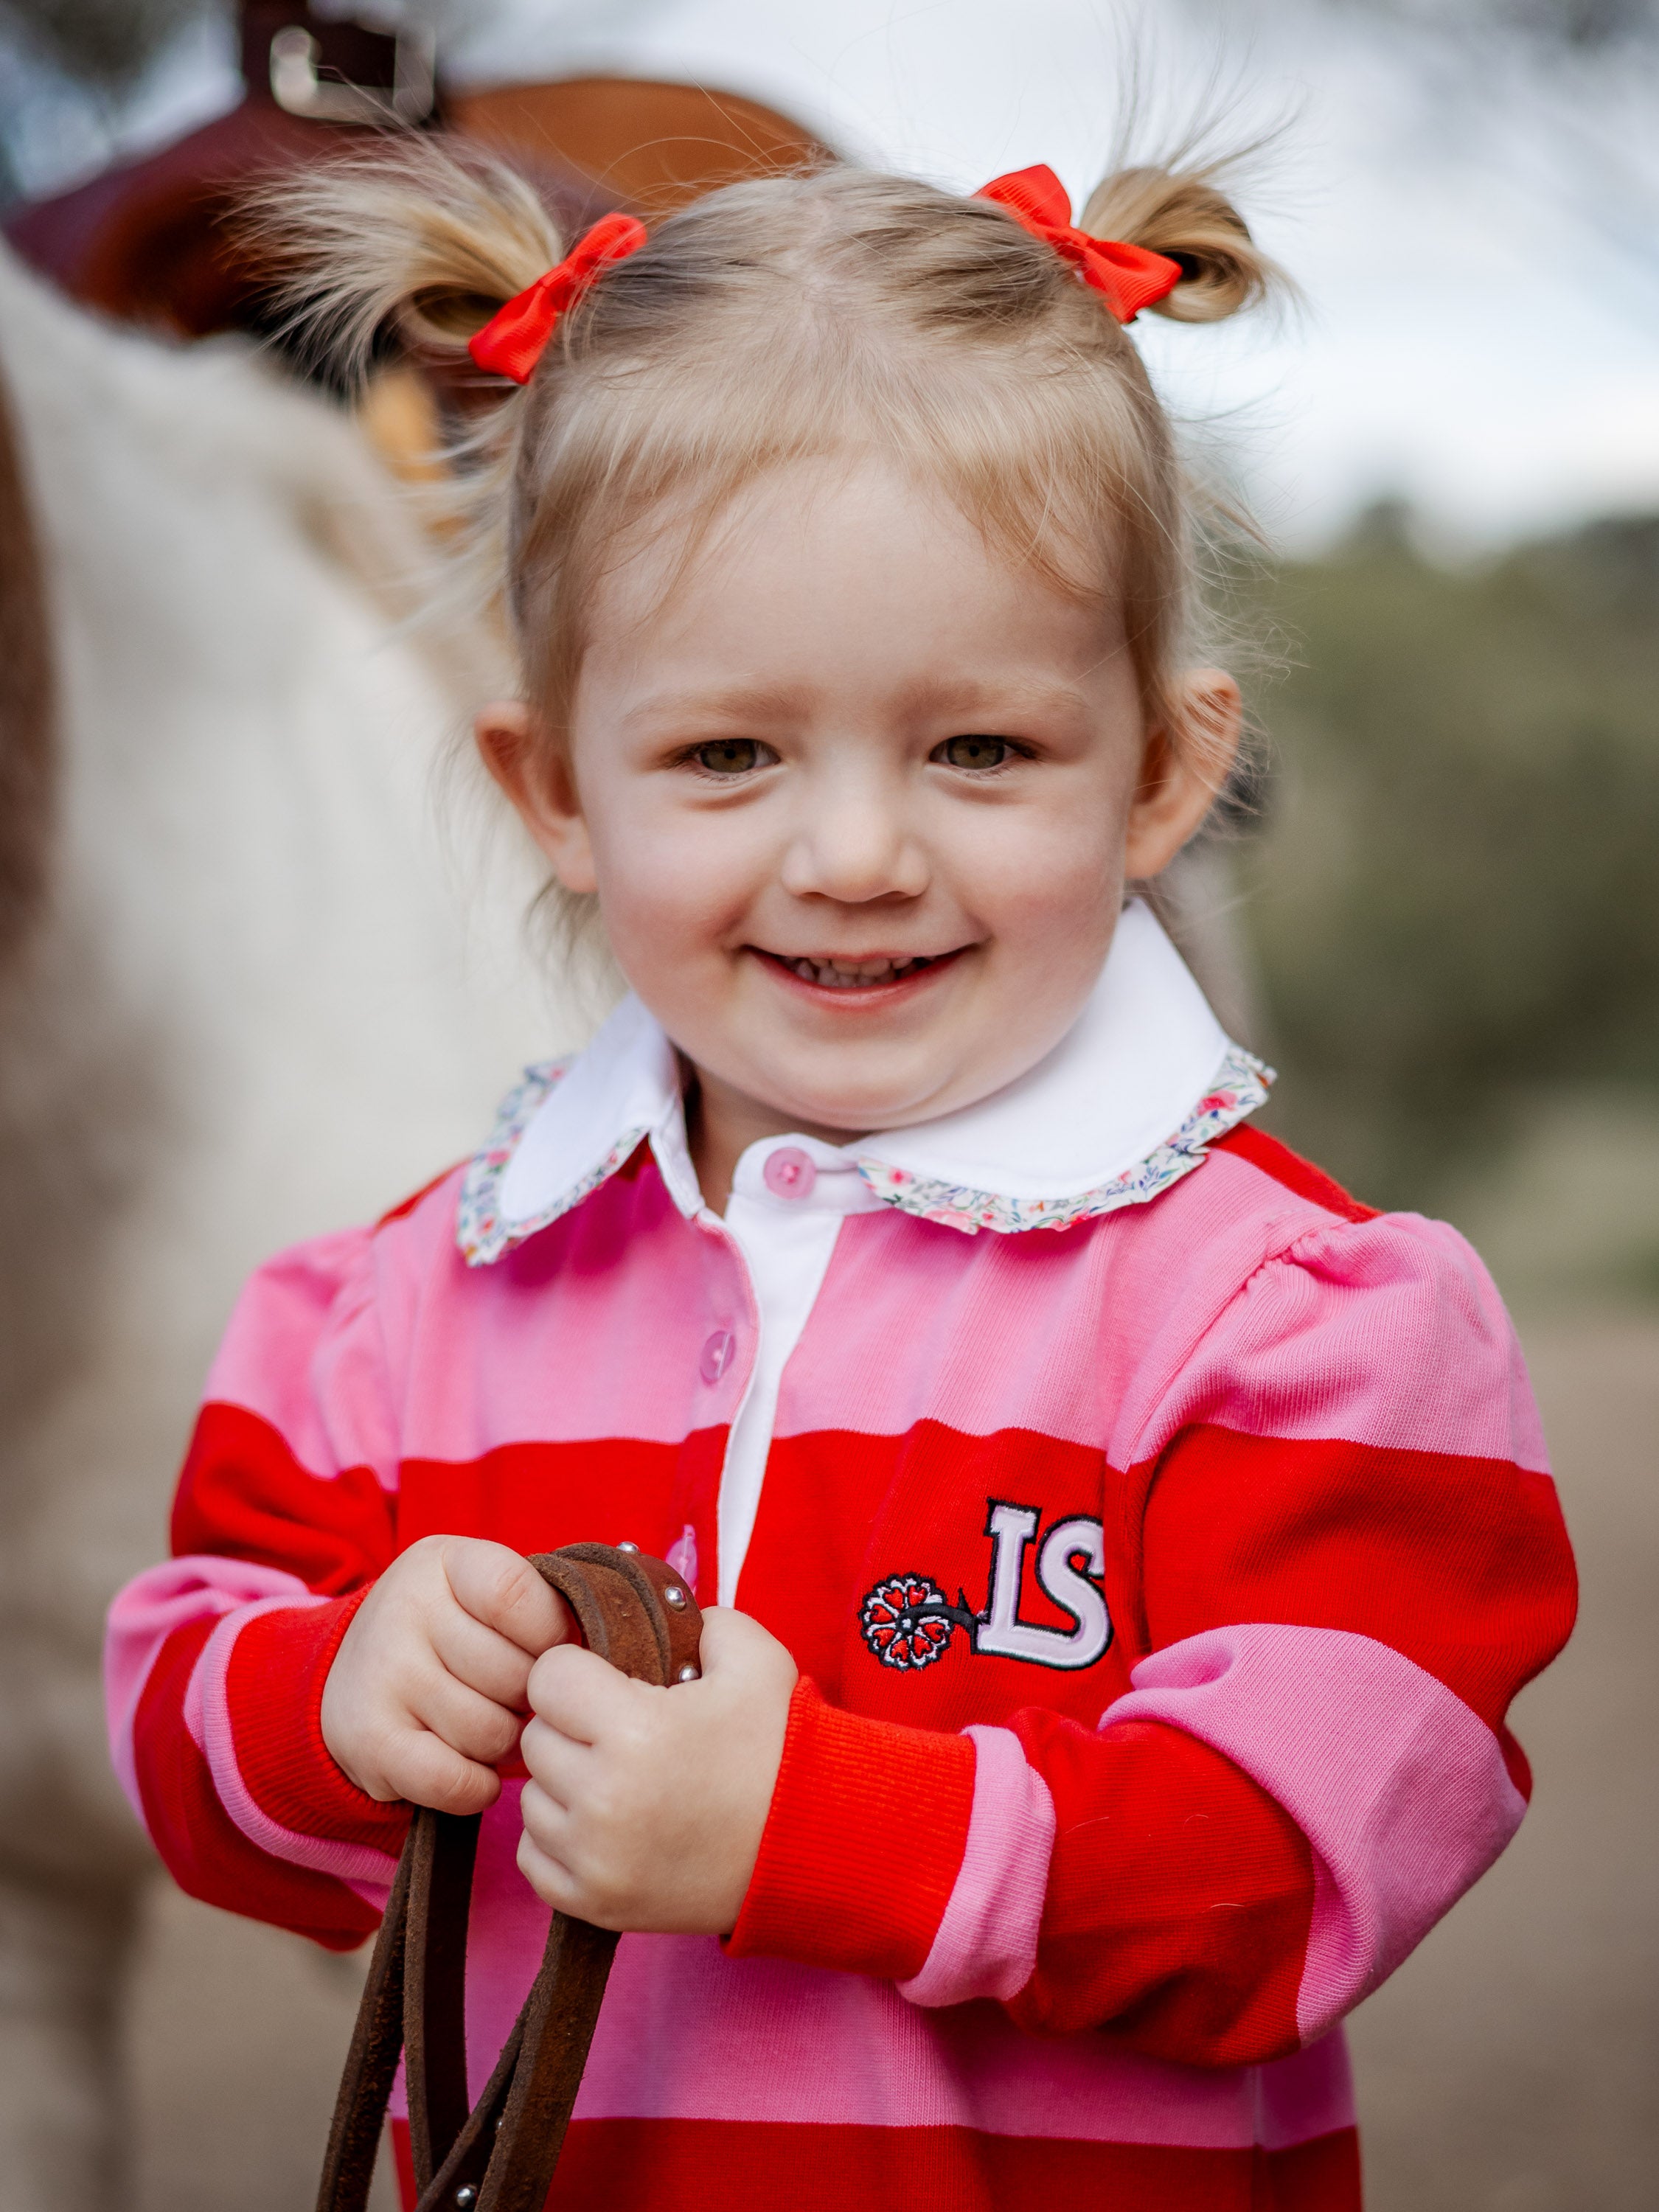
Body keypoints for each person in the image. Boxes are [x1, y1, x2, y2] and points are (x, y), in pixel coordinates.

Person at [104, 143, 1576, 2211]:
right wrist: (326, 1694)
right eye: (727, 756)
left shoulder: (1294, 1329)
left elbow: (1310, 1869)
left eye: (978, 749)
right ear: (558, 793)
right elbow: (179, 1727)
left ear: (1159, 769)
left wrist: (822, 1829)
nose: (858, 853)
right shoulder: (395, 1310)